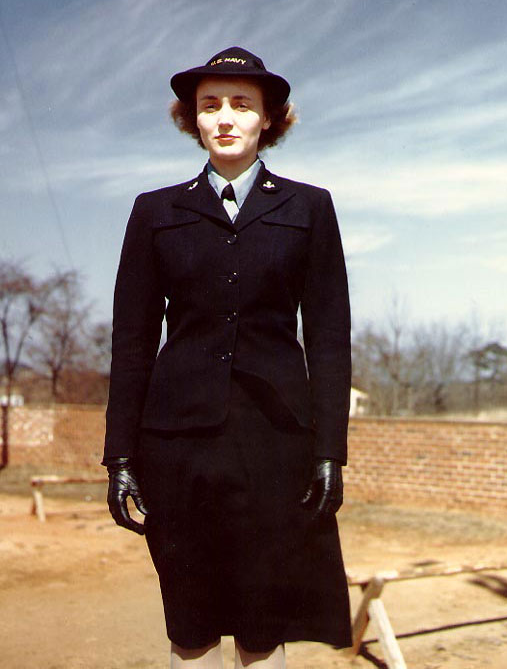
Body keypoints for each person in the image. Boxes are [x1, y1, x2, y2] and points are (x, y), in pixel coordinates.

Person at [102, 46, 352, 669]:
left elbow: (328, 338)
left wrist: (329, 452)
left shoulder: (309, 207)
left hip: (276, 444)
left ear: (269, 118)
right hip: (179, 446)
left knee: (264, 627)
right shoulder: (155, 211)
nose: (225, 117)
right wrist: (120, 456)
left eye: (243, 104)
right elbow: (132, 342)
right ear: (193, 119)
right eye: (209, 105)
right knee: (191, 623)